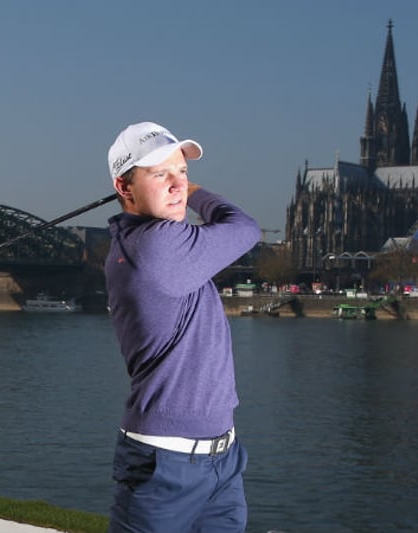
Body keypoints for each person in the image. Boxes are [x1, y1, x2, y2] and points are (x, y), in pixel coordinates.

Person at [103, 121, 259, 533]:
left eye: (182, 172)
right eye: (160, 174)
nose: (176, 184)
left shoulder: (141, 240)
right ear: (125, 187)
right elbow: (244, 227)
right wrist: (196, 193)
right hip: (164, 468)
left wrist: (168, 184)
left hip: (222, 459)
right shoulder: (157, 246)